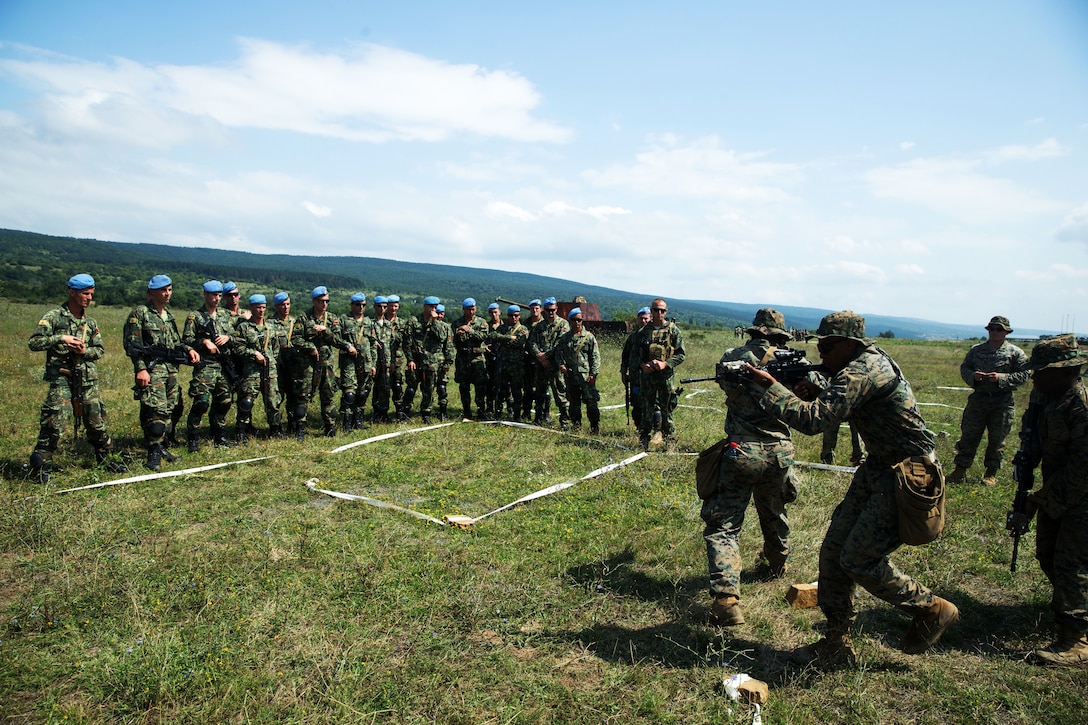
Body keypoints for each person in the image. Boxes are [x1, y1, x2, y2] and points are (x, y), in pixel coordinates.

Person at [748, 310, 958, 665]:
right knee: (833, 551)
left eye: (828, 347)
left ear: (849, 344)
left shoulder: (865, 369)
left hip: (908, 473)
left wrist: (771, 389)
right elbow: (830, 380)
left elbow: (814, 421)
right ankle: (836, 641)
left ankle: (931, 608)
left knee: (858, 558)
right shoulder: (853, 365)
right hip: (879, 467)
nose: (823, 354)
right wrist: (815, 382)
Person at [700, 309, 803, 626]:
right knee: (774, 510)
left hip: (741, 449)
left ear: (754, 332)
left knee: (724, 526)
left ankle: (727, 599)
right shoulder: (794, 362)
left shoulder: (733, 356)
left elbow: (726, 387)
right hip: (778, 451)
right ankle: (777, 563)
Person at [1010, 334, 1088, 667]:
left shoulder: (1080, 404)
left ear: (1067, 370)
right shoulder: (1045, 397)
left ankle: (1077, 640)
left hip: (1081, 495)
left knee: (1072, 564)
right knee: (1048, 555)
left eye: (1041, 371)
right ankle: (1075, 605)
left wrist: (1039, 500)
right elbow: (1034, 443)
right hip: (1059, 490)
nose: (1034, 377)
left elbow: (1081, 469)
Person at [27, 273, 127, 482]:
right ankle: (41, 466)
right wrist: (60, 338)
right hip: (62, 376)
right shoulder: (54, 317)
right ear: (72, 292)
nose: (89, 298)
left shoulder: (90, 322)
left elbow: (99, 350)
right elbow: (34, 342)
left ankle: (105, 458)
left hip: (87, 379)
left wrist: (84, 351)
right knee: (54, 420)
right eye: (85, 294)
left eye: (91, 294)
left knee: (96, 420)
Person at [123, 275, 200, 470]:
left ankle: (162, 445)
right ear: (152, 293)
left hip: (171, 370)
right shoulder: (141, 313)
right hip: (152, 369)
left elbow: (175, 342)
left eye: (170, 290)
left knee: (172, 409)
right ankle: (153, 455)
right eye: (163, 290)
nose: (167, 294)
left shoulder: (169, 316)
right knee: (155, 410)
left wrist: (188, 350)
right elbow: (133, 345)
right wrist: (140, 368)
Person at [947, 316, 1031, 486]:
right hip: (978, 399)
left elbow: (1025, 374)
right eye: (991, 329)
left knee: (997, 440)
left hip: (1002, 402)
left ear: (1006, 332)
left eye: (998, 329)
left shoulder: (1015, 353)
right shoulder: (976, 350)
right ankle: (960, 471)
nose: (994, 332)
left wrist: (1001, 378)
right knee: (969, 436)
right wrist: (973, 376)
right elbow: (965, 368)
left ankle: (990, 474)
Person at [182, 280, 237, 451]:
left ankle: (219, 434)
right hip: (205, 365)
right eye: (213, 295)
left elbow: (238, 335)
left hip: (224, 366)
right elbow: (186, 340)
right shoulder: (195, 317)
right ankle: (193, 438)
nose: (217, 298)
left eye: (219, 295)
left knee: (224, 401)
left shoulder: (225, 315)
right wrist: (204, 341)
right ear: (205, 294)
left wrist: (229, 338)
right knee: (201, 403)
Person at [291, 286, 351, 437]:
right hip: (307, 365)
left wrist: (326, 331)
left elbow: (338, 340)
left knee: (328, 396)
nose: (324, 304)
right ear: (314, 301)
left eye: (327, 301)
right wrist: (309, 347)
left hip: (327, 364)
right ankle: (300, 429)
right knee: (303, 396)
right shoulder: (304, 318)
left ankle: (330, 427)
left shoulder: (331, 319)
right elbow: (295, 339)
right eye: (321, 301)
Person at [636, 298, 685, 449]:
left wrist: (666, 364)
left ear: (666, 312)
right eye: (656, 310)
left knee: (667, 409)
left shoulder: (673, 330)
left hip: (665, 378)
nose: (659, 313)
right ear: (651, 311)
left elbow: (681, 354)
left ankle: (669, 442)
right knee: (646, 408)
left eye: (662, 310)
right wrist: (643, 365)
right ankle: (644, 441)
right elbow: (634, 355)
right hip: (647, 378)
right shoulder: (643, 332)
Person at [233, 294, 283, 442]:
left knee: (273, 401)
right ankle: (241, 431)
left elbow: (275, 349)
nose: (261, 310)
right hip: (252, 371)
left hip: (270, 370)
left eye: (263, 307)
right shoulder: (244, 327)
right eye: (257, 307)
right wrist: (253, 353)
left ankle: (275, 428)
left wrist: (271, 362)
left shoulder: (270, 327)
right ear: (250, 308)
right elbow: (237, 347)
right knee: (246, 402)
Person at [402, 296, 454, 423]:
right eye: (431, 307)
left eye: (435, 307)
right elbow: (407, 342)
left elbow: (442, 338)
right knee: (411, 388)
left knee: (429, 389)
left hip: (432, 363)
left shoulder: (442, 325)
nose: (433, 309)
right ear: (424, 307)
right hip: (416, 360)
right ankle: (404, 413)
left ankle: (426, 413)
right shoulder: (414, 322)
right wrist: (410, 359)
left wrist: (434, 321)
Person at [555, 308, 601, 433]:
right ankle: (576, 425)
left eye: (579, 320)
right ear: (570, 321)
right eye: (574, 320)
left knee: (591, 402)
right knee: (574, 403)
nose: (577, 323)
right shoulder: (565, 338)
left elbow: (595, 356)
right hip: (571, 377)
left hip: (586, 378)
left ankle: (594, 427)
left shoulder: (589, 337)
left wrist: (594, 373)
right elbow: (558, 353)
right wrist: (561, 365)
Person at [528, 297, 570, 427]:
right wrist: (539, 356)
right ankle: (538, 417)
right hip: (541, 365)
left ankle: (564, 420)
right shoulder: (539, 326)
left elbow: (561, 344)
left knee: (560, 393)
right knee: (540, 392)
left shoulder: (563, 324)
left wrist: (545, 356)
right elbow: (532, 342)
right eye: (548, 310)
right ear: (544, 310)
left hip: (555, 364)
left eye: (552, 310)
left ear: (556, 308)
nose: (550, 312)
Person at [338, 292, 375, 432]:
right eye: (358, 305)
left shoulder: (368, 322)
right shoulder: (343, 320)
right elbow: (336, 338)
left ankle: (358, 420)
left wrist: (372, 364)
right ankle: (346, 423)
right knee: (349, 393)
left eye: (363, 305)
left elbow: (373, 345)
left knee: (362, 392)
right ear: (352, 305)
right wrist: (347, 346)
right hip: (349, 362)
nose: (361, 307)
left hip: (365, 362)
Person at [453, 298, 491, 420]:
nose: (471, 312)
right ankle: (467, 412)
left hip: (477, 358)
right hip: (463, 359)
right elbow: (452, 341)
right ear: (463, 309)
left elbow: (484, 336)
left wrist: (470, 330)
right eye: (468, 309)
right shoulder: (456, 323)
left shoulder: (482, 322)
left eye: (473, 309)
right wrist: (458, 335)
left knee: (480, 387)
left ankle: (481, 411)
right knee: (464, 386)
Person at [271, 292, 301, 439]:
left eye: (288, 304)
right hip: (277, 366)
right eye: (282, 304)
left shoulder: (294, 323)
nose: (286, 307)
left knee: (294, 396)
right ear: (276, 306)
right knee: (276, 397)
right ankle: (275, 426)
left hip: (293, 366)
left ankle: (292, 423)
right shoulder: (269, 324)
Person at [494, 304, 530, 420]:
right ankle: (498, 413)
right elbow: (493, 336)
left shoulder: (523, 329)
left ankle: (517, 415)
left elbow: (519, 343)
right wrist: (509, 338)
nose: (513, 318)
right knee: (501, 390)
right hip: (503, 364)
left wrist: (503, 339)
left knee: (517, 391)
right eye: (511, 315)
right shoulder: (503, 328)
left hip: (517, 365)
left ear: (519, 316)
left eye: (516, 315)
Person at [620, 306, 651, 429]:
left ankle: (654, 430)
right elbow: (625, 356)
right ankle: (640, 429)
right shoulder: (633, 337)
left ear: (650, 318)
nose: (643, 321)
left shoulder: (654, 336)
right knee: (636, 405)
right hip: (635, 378)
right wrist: (623, 372)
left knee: (652, 405)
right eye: (641, 319)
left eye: (646, 319)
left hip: (650, 378)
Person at [370, 295, 395, 423]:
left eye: (385, 307)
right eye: (379, 306)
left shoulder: (389, 325)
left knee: (385, 386)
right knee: (373, 387)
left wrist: (392, 362)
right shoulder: (369, 323)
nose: (382, 309)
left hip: (386, 360)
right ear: (374, 307)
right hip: (373, 361)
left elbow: (392, 345)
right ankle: (375, 412)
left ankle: (383, 412)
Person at [520, 299, 544, 420]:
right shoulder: (525, 324)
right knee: (527, 388)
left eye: (537, 308)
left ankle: (544, 413)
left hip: (542, 360)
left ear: (541, 309)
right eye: (532, 308)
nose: (534, 311)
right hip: (527, 360)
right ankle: (526, 412)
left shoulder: (546, 323)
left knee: (543, 389)